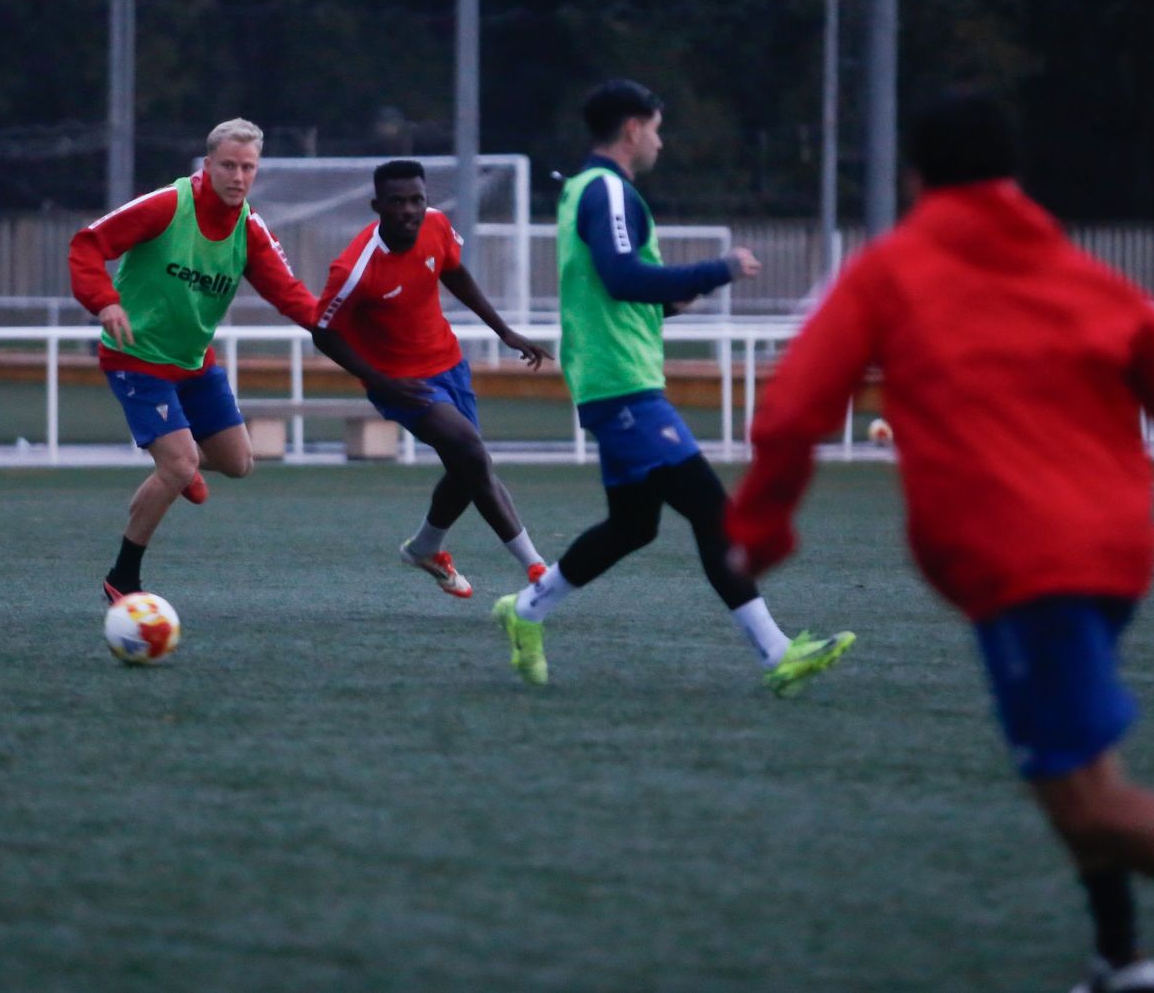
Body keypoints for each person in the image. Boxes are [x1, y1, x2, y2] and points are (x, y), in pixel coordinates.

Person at [725, 91, 1154, 993]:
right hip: (1111, 554)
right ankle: (1120, 956)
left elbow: (795, 405)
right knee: (1071, 774)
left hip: (1025, 565)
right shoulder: (1083, 276)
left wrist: (760, 532)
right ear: (1011, 174)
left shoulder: (892, 272)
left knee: (1089, 798)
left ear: (916, 177)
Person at [492, 78, 856, 694]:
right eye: (657, 128)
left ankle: (526, 611)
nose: (660, 141)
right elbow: (621, 275)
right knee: (715, 514)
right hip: (622, 383)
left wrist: (671, 302)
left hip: (616, 377)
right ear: (633, 128)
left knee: (634, 525)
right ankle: (777, 655)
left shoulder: (589, 188)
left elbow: (615, 290)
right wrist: (720, 269)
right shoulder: (606, 187)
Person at [70, 118, 320, 602]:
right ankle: (121, 579)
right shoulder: (168, 205)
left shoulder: (249, 228)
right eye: (228, 165)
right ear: (207, 166)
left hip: (194, 363)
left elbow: (288, 293)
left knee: (239, 462)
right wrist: (104, 301)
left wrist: (334, 327)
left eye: (248, 167)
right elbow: (88, 244)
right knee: (180, 464)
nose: (238, 176)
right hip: (135, 357)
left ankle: (176, 467)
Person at [307, 159, 553, 598]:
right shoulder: (355, 270)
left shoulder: (437, 226)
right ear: (377, 206)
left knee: (465, 468)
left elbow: (454, 271)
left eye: (417, 199)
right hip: (404, 385)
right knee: (473, 454)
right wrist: (379, 380)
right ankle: (537, 569)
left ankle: (424, 548)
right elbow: (323, 334)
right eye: (397, 201)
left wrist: (505, 331)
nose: (409, 210)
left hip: (450, 364)